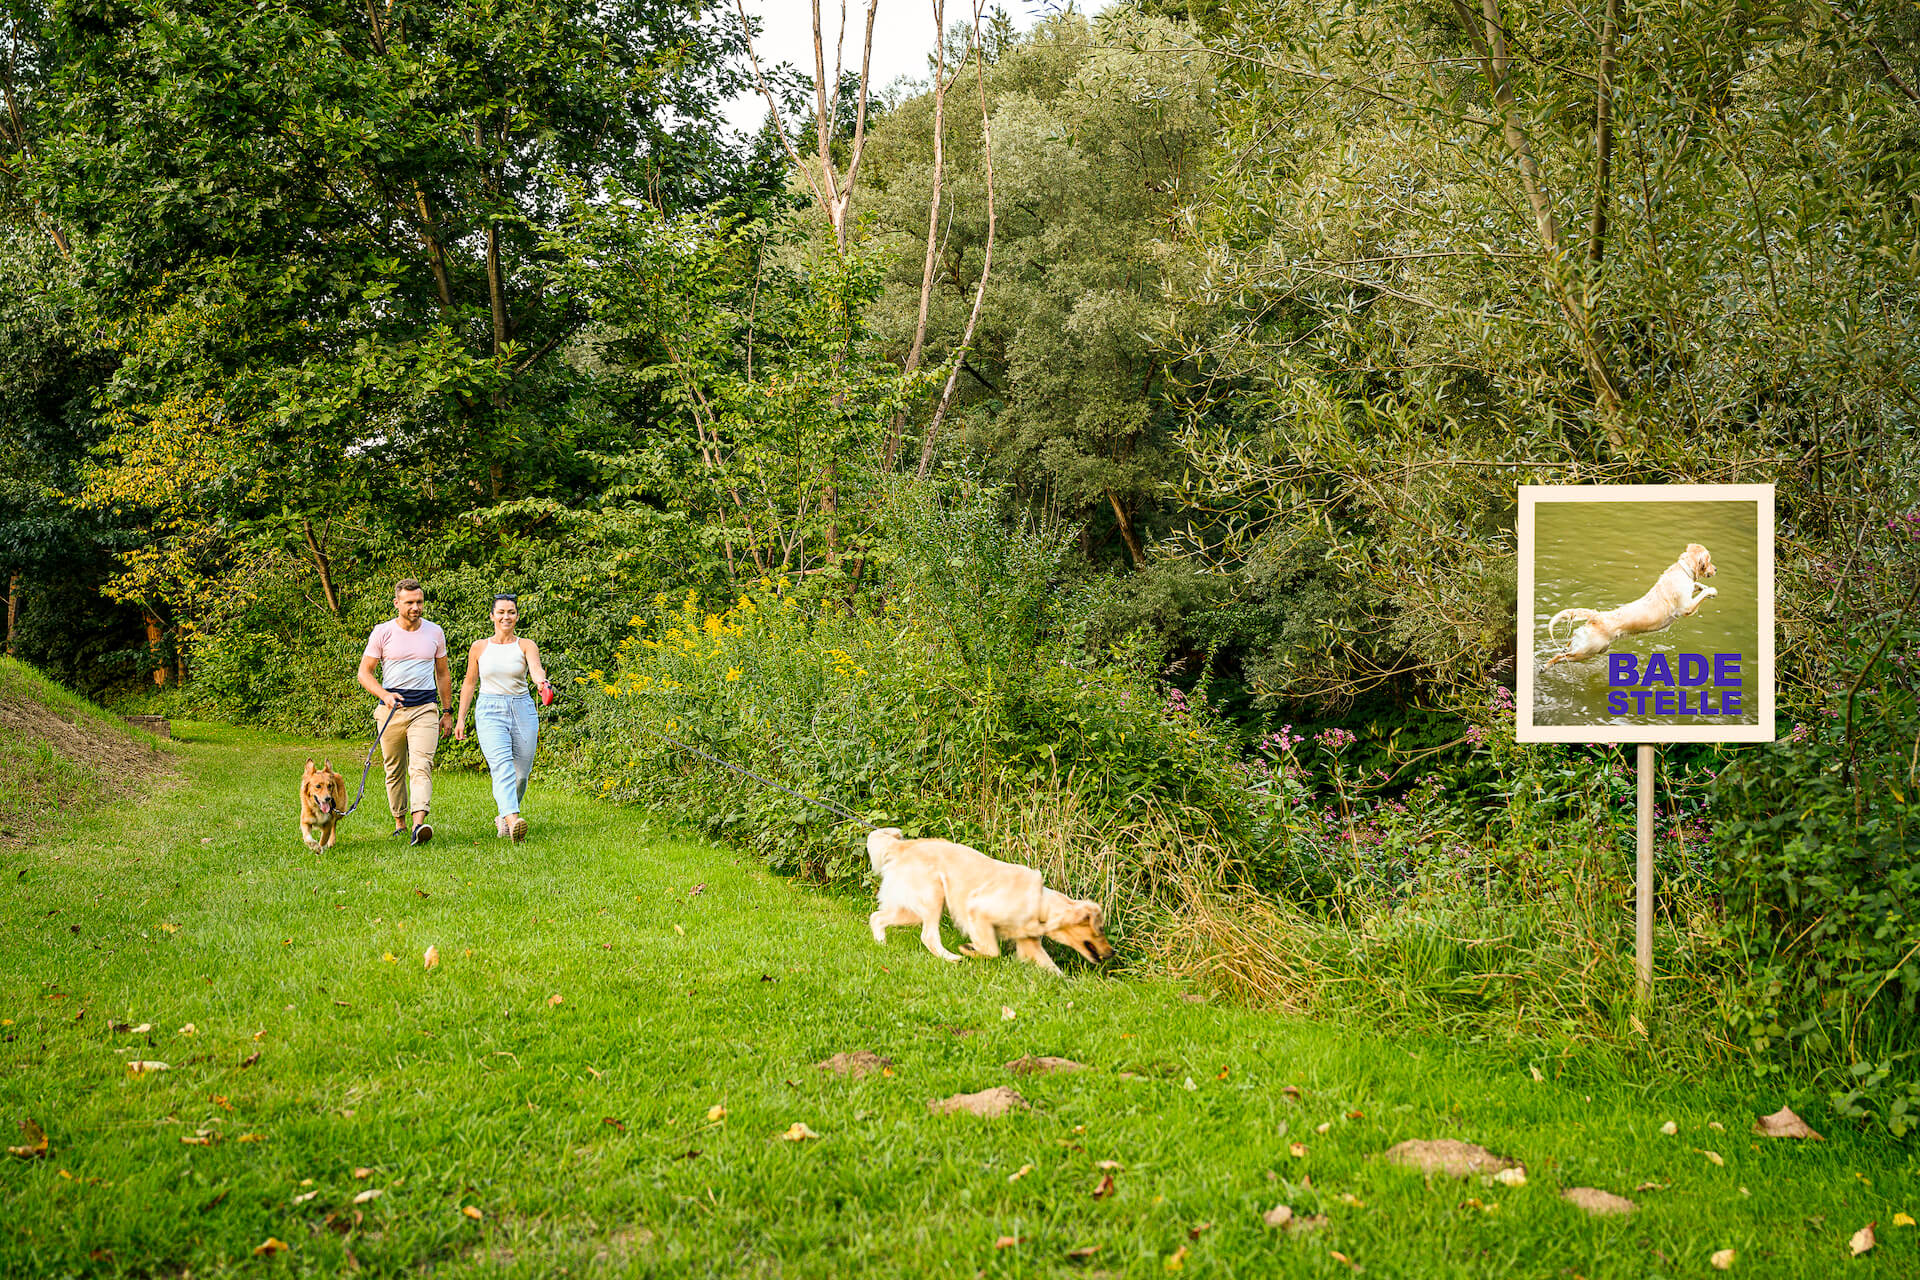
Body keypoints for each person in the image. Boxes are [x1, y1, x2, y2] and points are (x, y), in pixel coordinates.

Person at [356, 579, 452, 845]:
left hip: (425, 709)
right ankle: (399, 822)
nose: (415, 607)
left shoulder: (435, 632)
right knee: (394, 769)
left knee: (421, 766)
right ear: (397, 603)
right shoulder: (383, 632)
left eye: (419, 602)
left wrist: (447, 711)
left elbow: (443, 674)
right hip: (391, 711)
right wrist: (384, 695)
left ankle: (418, 825)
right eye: (409, 602)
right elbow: (364, 673)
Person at [454, 594, 551, 842]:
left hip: (522, 708)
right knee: (502, 766)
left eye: (511, 612)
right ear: (492, 616)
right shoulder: (479, 647)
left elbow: (535, 668)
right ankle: (513, 820)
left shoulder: (526, 645)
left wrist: (541, 682)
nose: (506, 617)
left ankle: (503, 817)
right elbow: (469, 683)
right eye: (501, 612)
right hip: (490, 710)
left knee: (521, 774)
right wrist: (461, 718)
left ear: (517, 616)